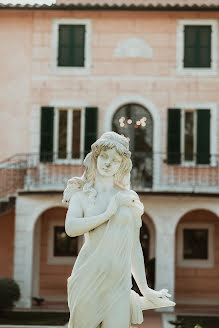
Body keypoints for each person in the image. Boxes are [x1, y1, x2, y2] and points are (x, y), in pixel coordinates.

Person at [62, 131, 175, 328]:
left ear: (121, 165)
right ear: (95, 158)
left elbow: (134, 247)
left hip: (119, 284)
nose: (107, 163)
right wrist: (108, 213)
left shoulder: (128, 197)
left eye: (114, 160)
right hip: (89, 277)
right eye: (104, 157)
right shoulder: (81, 195)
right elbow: (71, 228)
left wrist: (145, 289)